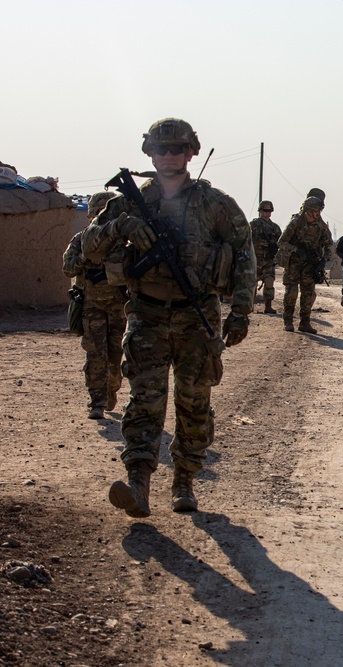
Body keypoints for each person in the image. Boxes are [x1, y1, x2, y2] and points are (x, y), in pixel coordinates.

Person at [82, 117, 255, 517]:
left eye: (178, 148)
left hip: (197, 318)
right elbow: (88, 246)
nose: (169, 156)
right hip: (147, 315)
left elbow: (244, 255)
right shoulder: (129, 201)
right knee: (145, 400)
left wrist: (241, 312)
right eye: (162, 149)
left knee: (194, 404)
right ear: (150, 153)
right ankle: (138, 484)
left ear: (191, 152)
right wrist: (121, 225)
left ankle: (184, 481)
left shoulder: (216, 205)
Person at [62, 191, 126, 419]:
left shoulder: (122, 242)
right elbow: (68, 268)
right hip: (91, 305)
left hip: (118, 306)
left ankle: (111, 388)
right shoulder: (81, 240)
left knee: (115, 353)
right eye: (98, 213)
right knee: (95, 353)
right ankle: (97, 402)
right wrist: (85, 259)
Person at [277, 196, 333, 333]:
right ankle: (288, 321)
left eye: (320, 211)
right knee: (292, 292)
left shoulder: (321, 225)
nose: (318, 213)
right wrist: (296, 249)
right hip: (293, 263)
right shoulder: (296, 222)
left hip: (310, 265)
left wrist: (323, 261)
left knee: (309, 293)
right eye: (316, 211)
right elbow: (281, 242)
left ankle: (305, 322)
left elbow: (329, 245)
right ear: (309, 210)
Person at [249, 200, 281, 314]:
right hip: (254, 259)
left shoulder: (275, 228)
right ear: (260, 211)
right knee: (252, 284)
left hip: (268, 260)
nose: (267, 213)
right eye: (265, 211)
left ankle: (268, 307)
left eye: (269, 211)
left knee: (269, 283)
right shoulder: (253, 225)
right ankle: (249, 307)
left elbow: (281, 242)